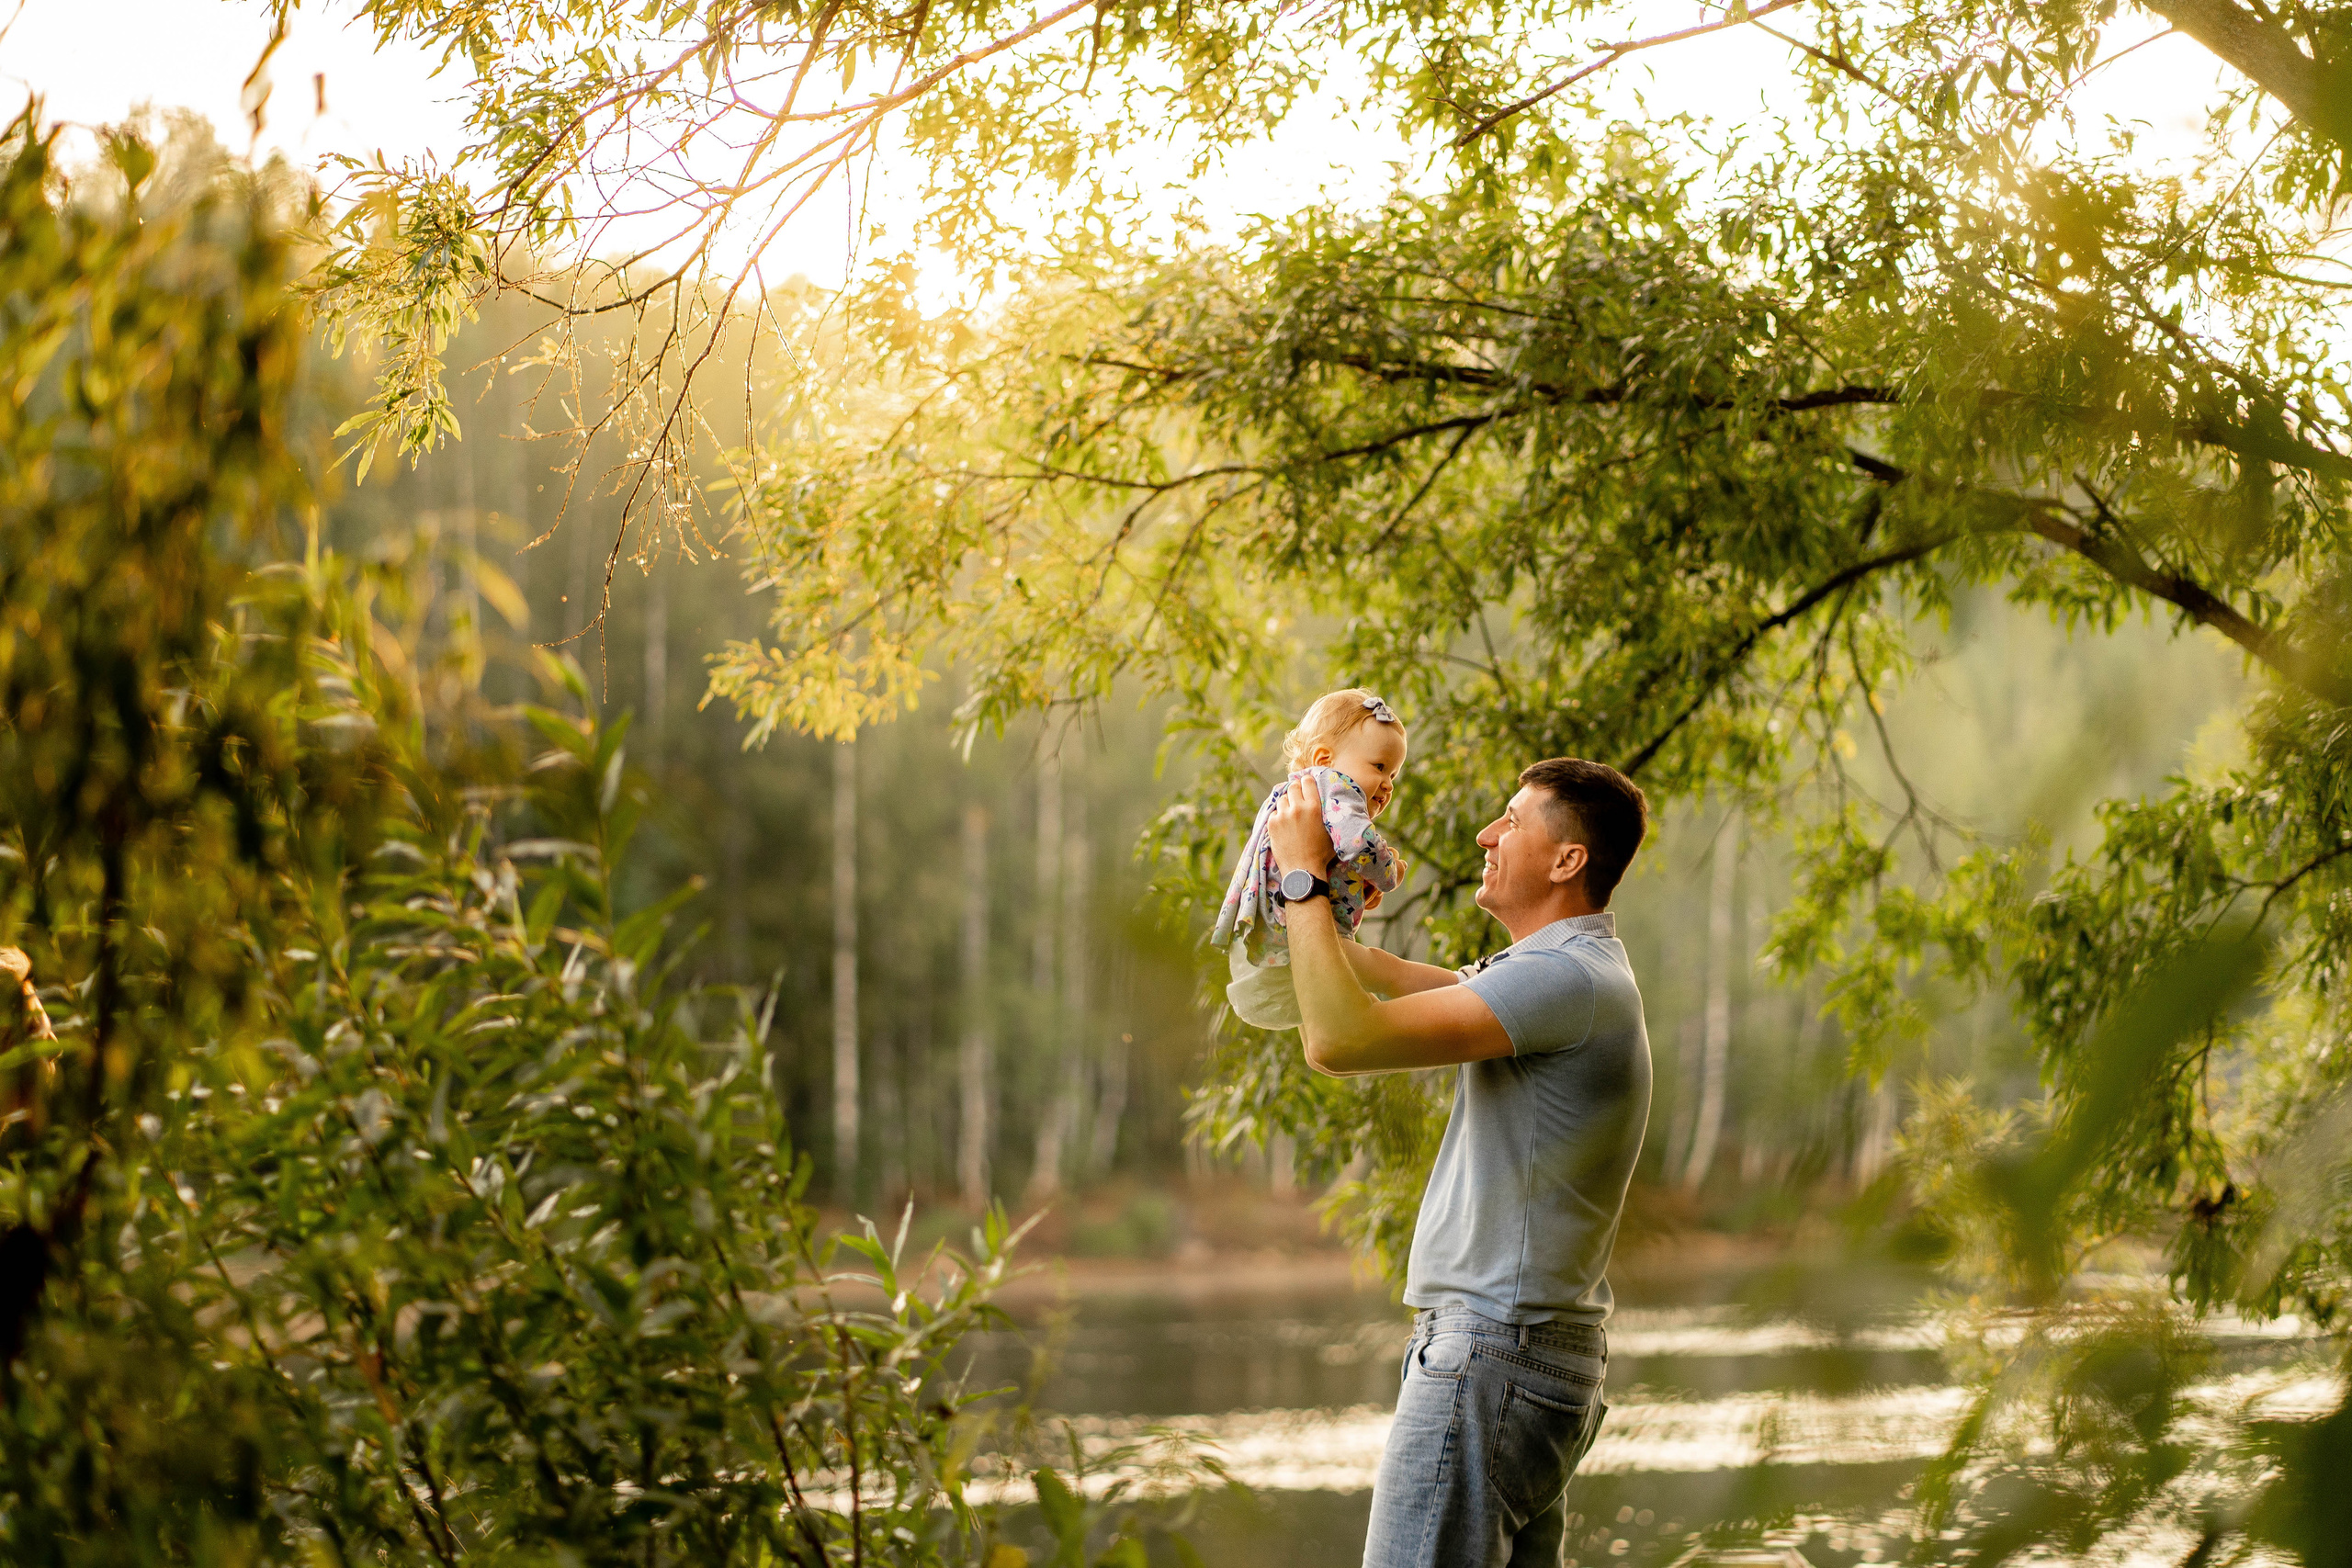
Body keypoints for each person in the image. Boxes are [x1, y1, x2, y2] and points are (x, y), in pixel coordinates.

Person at [1263, 756, 1652, 1568]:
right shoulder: (1562, 974)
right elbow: (1393, 982)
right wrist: (1318, 903)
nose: (1487, 832)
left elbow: (1340, 1039)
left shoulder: (1564, 979)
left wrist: (1302, 880)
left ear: (1567, 859)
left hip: (1494, 1357)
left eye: (1511, 819)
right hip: (1525, 1358)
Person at [1209, 690, 1407, 1030]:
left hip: (1270, 946)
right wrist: (1390, 871)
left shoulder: (1297, 795)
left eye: (1393, 775)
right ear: (1324, 758)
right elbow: (1359, 843)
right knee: (1380, 970)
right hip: (1291, 941)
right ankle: (1470, 986)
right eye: (1380, 767)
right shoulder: (1334, 785)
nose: (1388, 785)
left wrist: (1358, 887)